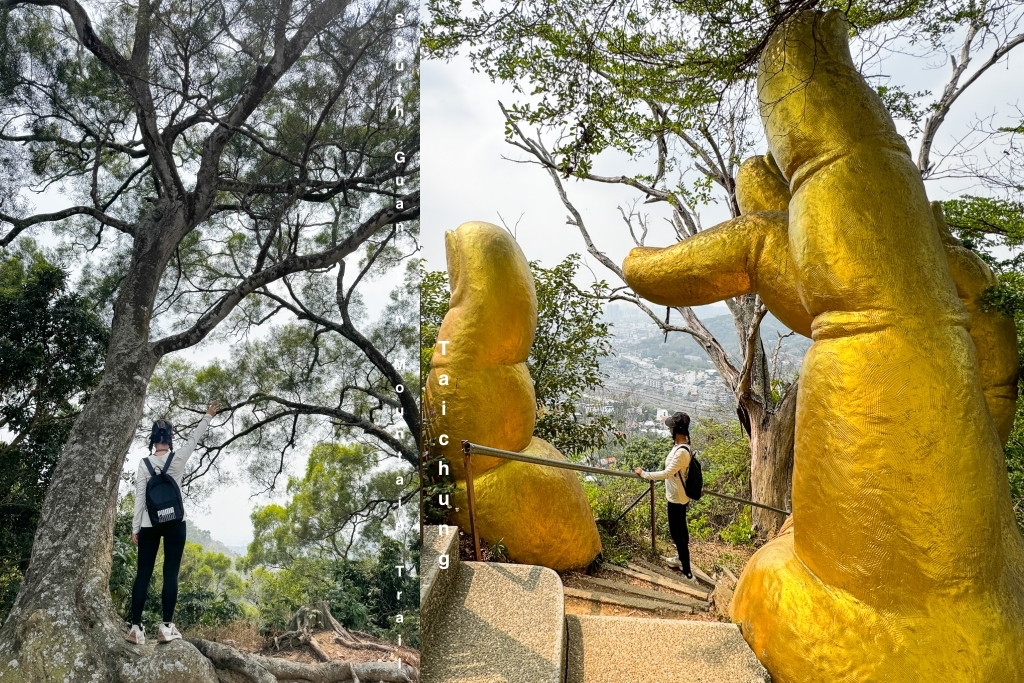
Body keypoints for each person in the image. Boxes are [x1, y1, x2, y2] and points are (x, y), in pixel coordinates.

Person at [125, 403, 218, 645]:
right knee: (170, 572)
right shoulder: (178, 459)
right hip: (176, 522)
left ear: (153, 439)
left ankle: (136, 628)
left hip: (149, 523)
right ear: (171, 438)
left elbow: (139, 497)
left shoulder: (144, 464)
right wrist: (207, 416)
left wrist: (136, 528)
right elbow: (194, 438)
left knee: (143, 574)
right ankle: (166, 627)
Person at [635, 411, 694, 580]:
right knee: (680, 531)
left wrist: (644, 474)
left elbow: (667, 473)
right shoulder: (681, 445)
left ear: (677, 429)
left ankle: (687, 572)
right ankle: (680, 560)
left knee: (678, 534)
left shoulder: (682, 451)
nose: (669, 429)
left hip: (677, 498)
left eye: (671, 427)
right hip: (677, 496)